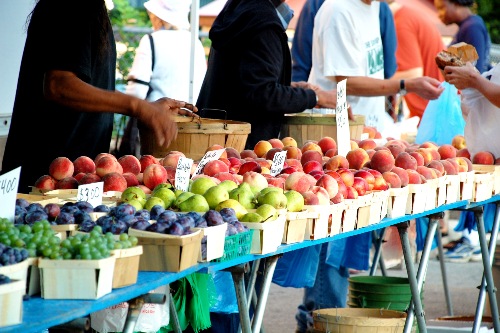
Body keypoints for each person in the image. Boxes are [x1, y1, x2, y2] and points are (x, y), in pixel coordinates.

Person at [294, 0, 444, 331]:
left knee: (344, 240)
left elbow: (371, 71)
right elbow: (346, 81)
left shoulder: (374, 9)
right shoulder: (338, 11)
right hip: (337, 141)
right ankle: (320, 320)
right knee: (331, 242)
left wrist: (389, 101)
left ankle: (325, 317)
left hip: (365, 140)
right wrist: (405, 85)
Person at [1, 0, 197, 194]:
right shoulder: (70, 4)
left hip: (75, 181)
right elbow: (58, 85)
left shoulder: (92, 9)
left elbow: (88, 87)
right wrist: (138, 107)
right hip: (44, 182)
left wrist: (146, 107)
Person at [195, 0, 338, 150]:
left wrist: (287, 86)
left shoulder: (240, 8)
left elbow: (244, 79)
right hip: (242, 148)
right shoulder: (263, 24)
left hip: (216, 138)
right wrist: (315, 97)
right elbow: (263, 92)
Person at [434, 0, 493, 262]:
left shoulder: (473, 27)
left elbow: (477, 73)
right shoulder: (469, 26)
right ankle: (470, 237)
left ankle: (471, 239)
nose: (439, 10)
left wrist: (473, 82)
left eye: (440, 4)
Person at [117, 0, 207, 157]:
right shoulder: (196, 43)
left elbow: (136, 92)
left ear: (159, 16)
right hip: (190, 127)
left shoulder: (151, 40)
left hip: (155, 127)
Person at [387, 0, 445, 123]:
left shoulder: (401, 22)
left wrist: (370, 83)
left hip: (430, 113)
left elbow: (412, 74)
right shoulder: (407, 16)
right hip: (432, 110)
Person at [434, 0, 491, 74]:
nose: (439, 14)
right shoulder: (467, 25)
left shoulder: (472, 28)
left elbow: (475, 73)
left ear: (456, 3)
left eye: (441, 8)